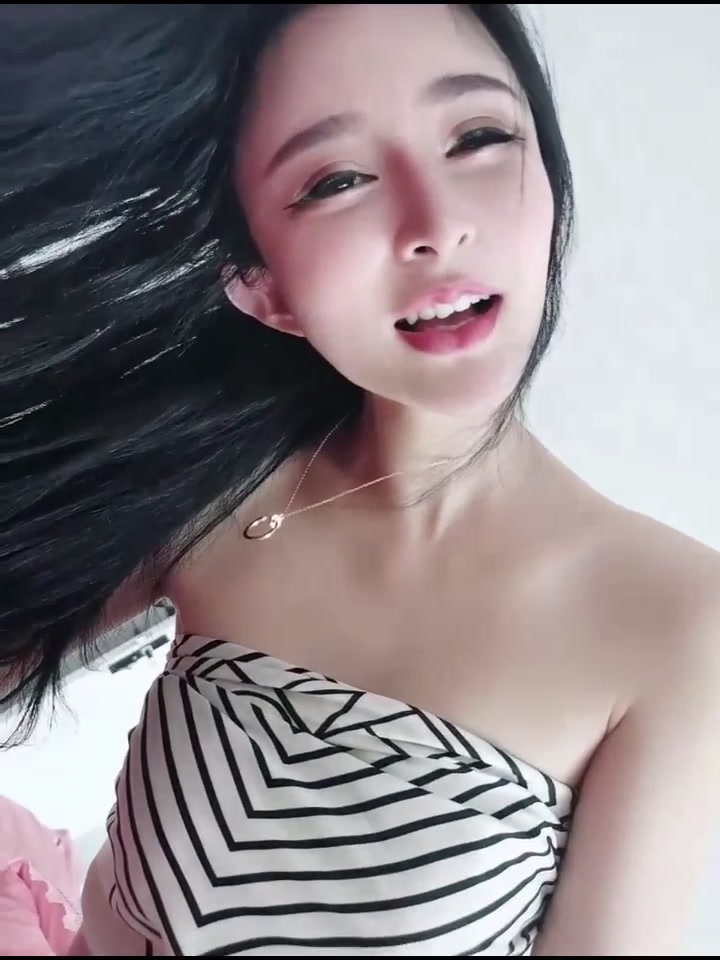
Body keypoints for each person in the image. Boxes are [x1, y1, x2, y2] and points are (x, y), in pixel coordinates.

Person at [3, 3, 720, 955]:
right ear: (261, 284)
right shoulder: (220, 487)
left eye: (479, 137)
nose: (437, 226)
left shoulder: (678, 620)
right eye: (336, 180)